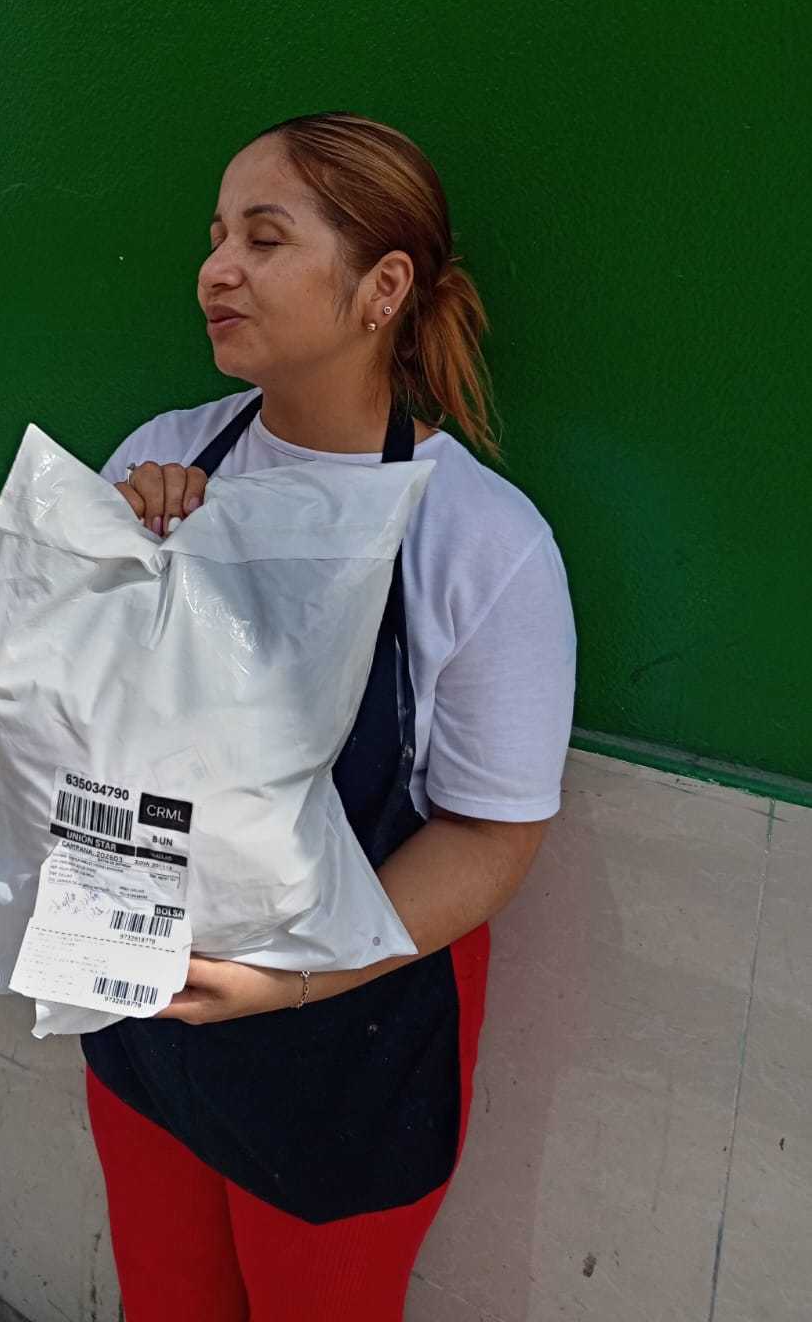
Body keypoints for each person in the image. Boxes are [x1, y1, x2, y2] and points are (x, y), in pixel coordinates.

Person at [80, 111, 577, 1321]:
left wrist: (285, 977)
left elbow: (490, 836)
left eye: (263, 238)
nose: (216, 269)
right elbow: (68, 717)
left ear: (380, 288)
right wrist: (112, 566)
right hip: (148, 1014)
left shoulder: (479, 539)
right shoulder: (161, 459)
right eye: (215, 236)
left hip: (345, 1049)